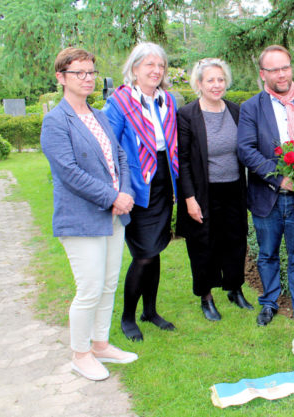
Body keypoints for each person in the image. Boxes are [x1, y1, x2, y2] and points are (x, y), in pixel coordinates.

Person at [41, 47, 138, 381]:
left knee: (109, 284)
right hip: (81, 218)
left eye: (91, 72)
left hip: (114, 214)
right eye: (78, 73)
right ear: (61, 77)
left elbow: (121, 157)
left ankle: (100, 344)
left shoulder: (98, 115)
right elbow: (68, 172)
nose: (86, 78)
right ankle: (79, 354)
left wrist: (125, 193)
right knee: (90, 288)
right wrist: (113, 197)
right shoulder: (56, 121)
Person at [237, 45, 294, 329]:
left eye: (285, 67)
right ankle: (269, 302)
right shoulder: (252, 107)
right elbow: (246, 150)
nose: (281, 74)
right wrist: (280, 178)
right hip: (268, 197)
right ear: (263, 74)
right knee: (267, 254)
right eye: (274, 69)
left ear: (291, 68)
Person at [103, 43, 178, 341]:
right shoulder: (119, 102)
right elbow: (109, 148)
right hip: (135, 183)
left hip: (163, 179)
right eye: (149, 65)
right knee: (144, 254)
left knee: (156, 248)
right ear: (134, 69)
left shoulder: (166, 100)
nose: (156, 70)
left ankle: (150, 311)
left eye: (160, 66)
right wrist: (118, 190)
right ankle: (127, 317)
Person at [176, 58, 252, 321]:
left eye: (220, 79)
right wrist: (189, 199)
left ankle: (234, 288)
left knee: (235, 240)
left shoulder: (235, 111)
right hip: (203, 192)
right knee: (203, 244)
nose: (216, 85)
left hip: (233, 189)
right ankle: (206, 296)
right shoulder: (187, 115)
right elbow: (182, 160)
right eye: (210, 80)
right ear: (199, 83)